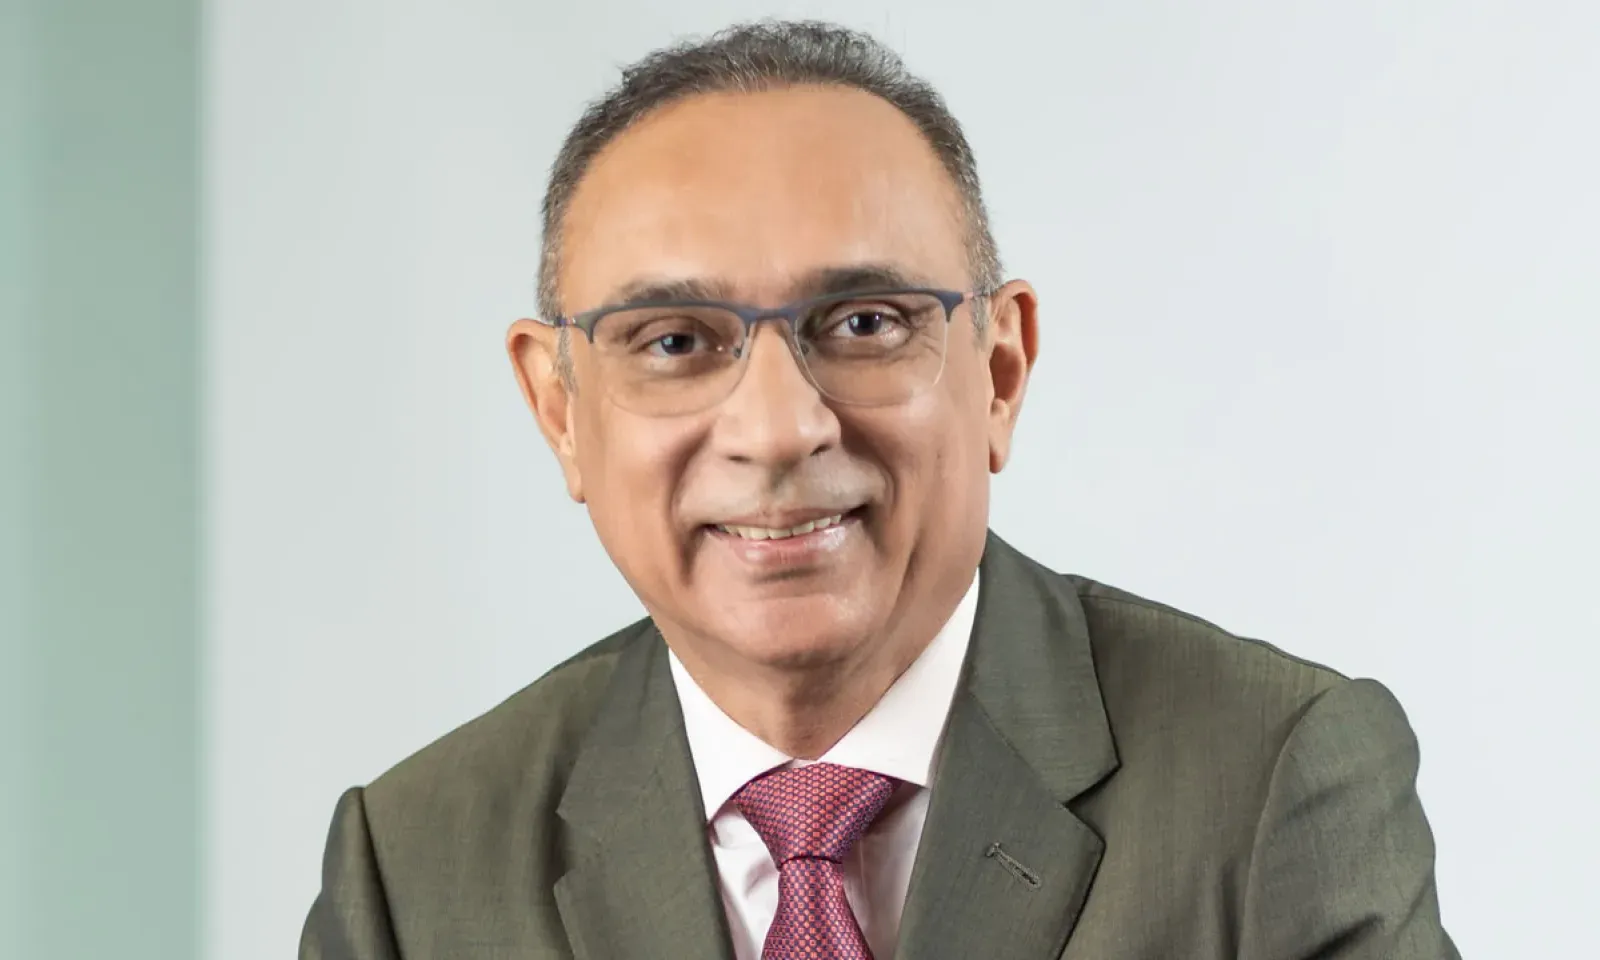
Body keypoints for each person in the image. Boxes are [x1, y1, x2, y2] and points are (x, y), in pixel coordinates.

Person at [300, 19, 1458, 960]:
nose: (777, 427)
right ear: (559, 408)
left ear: (998, 371)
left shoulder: (1269, 784)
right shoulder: (414, 869)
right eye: (674, 342)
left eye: (862, 324)